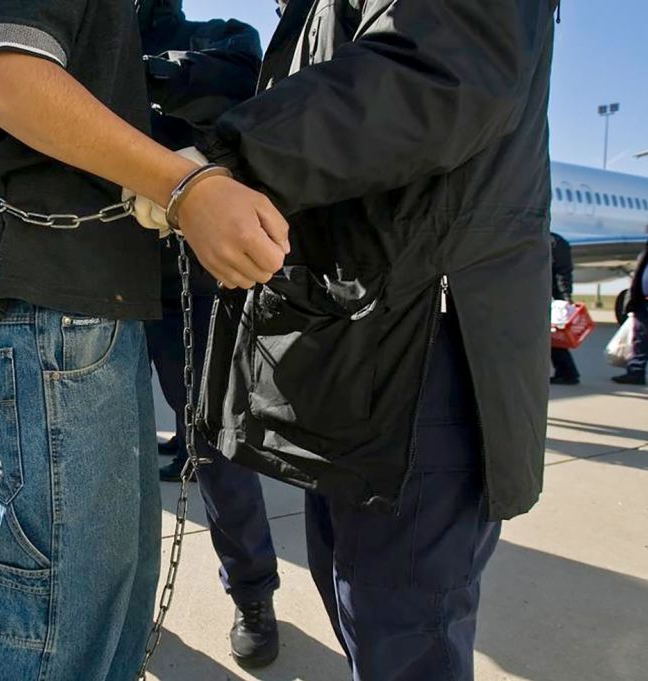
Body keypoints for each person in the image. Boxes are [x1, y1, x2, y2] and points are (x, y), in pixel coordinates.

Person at [183, 1, 558, 679]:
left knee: (405, 634)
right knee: (361, 602)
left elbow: (436, 74)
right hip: (360, 345)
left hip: (427, 355)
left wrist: (231, 159)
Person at [0, 0, 290, 677]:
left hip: (164, 289)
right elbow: (6, 68)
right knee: (61, 606)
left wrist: (40, 96)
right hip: (75, 294)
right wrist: (14, 95)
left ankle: (252, 592)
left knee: (148, 531)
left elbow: (230, 97)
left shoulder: (216, 38)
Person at [138, 0, 281, 667]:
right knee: (97, 455)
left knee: (214, 447)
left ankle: (253, 592)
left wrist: (141, 75)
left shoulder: (221, 37)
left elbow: (237, 81)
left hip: (186, 285)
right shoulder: (80, 42)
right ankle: (115, 599)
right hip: (92, 276)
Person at [613, 241, 647, 385]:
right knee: (639, 340)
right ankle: (635, 372)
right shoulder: (646, 253)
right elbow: (638, 277)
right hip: (644, 302)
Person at [550, 232, 580, 385]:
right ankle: (567, 373)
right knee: (553, 338)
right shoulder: (556, 241)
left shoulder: (553, 243)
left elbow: (562, 274)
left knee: (554, 337)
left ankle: (568, 373)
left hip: (552, 299)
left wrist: (565, 299)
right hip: (551, 298)